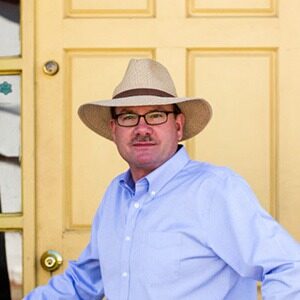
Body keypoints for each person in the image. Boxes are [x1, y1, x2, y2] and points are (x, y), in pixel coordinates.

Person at [24, 59, 300, 300]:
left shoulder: (215, 189)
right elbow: (84, 281)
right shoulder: (116, 195)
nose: (142, 129)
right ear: (114, 129)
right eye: (129, 117)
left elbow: (288, 267)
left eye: (156, 115)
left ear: (177, 126)